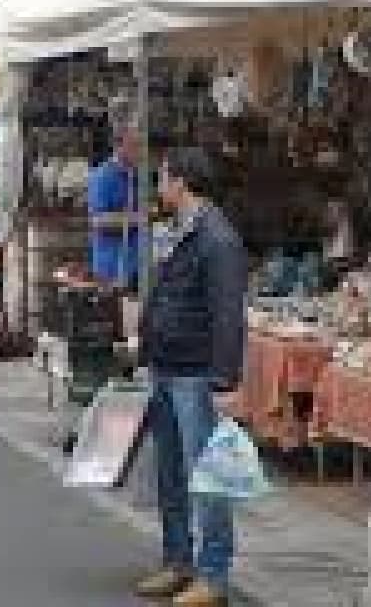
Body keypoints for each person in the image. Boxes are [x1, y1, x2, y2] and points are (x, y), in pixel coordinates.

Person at [133, 147, 248, 607]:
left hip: (197, 375)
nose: (158, 188)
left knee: (208, 477)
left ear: (181, 183)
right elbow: (162, 295)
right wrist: (144, 351)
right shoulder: (179, 232)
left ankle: (213, 574)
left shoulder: (218, 239)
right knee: (171, 474)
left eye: (162, 178)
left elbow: (228, 315)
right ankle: (177, 560)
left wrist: (225, 380)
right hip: (167, 367)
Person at [88, 123, 146, 289]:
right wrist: (139, 219)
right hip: (112, 266)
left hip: (136, 264)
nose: (140, 151)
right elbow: (98, 221)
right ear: (119, 146)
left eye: (140, 145)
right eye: (134, 145)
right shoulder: (102, 176)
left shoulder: (137, 176)